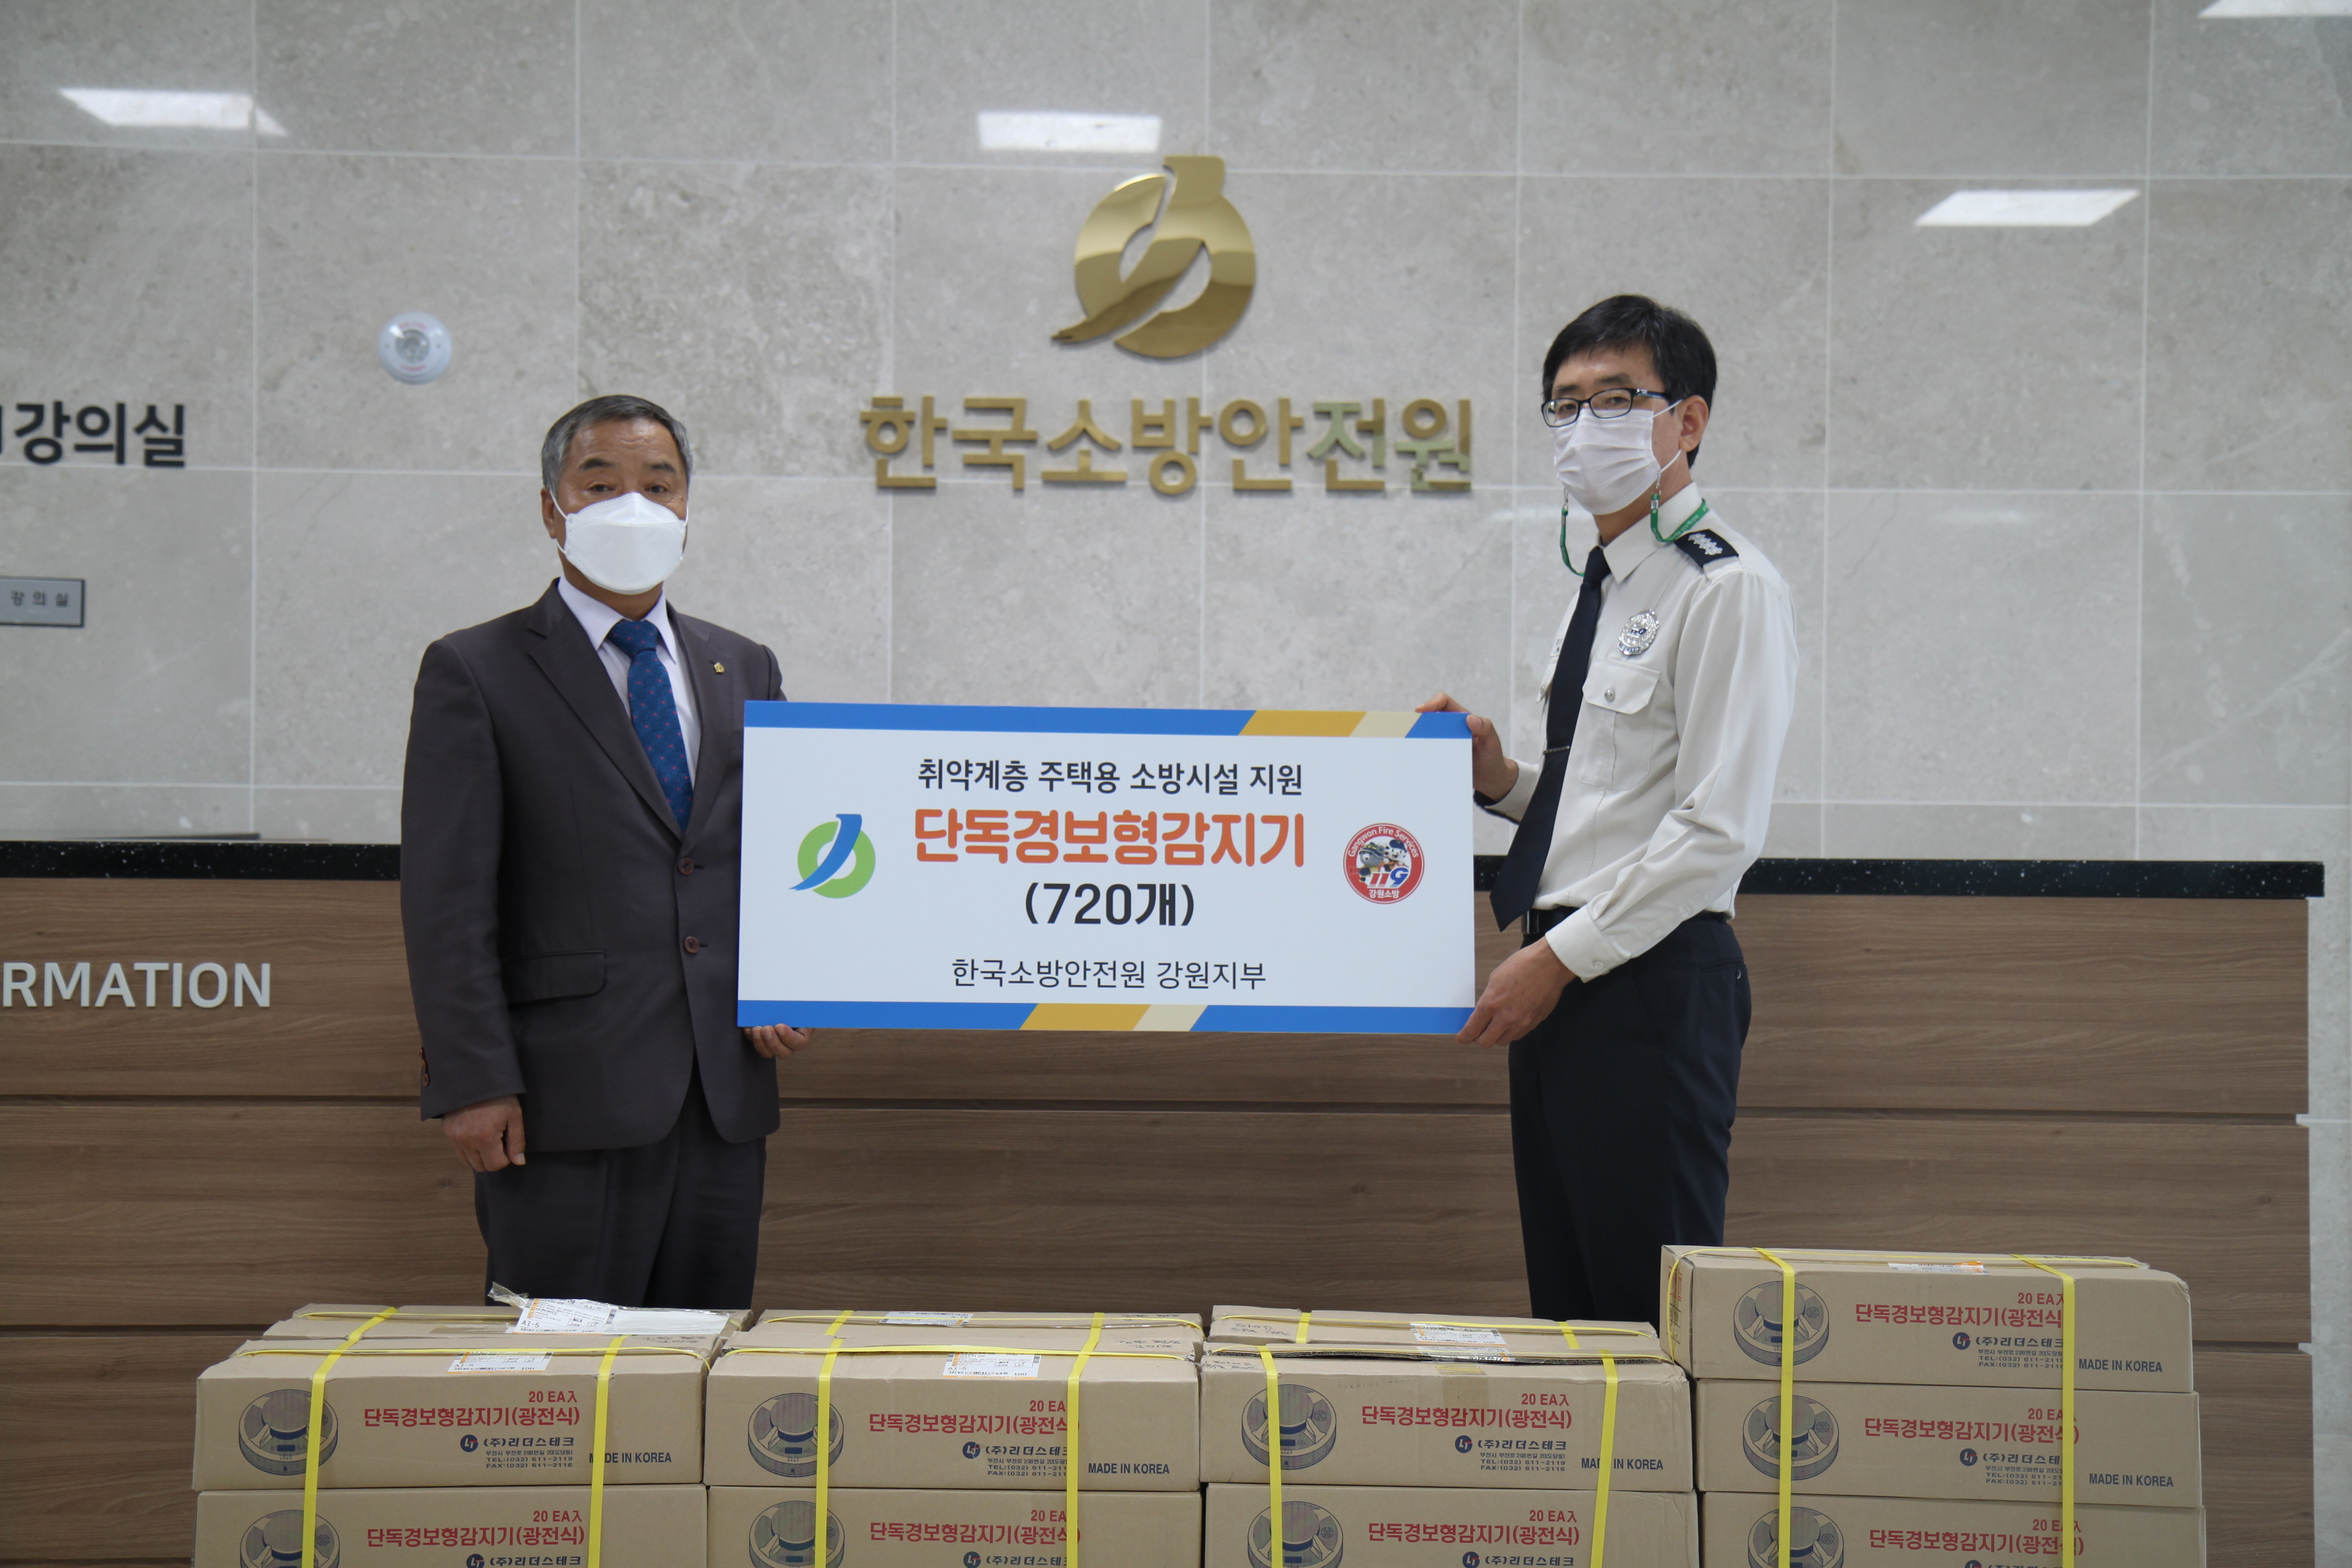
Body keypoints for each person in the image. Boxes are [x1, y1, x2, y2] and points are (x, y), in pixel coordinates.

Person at [1420, 295, 1798, 1323]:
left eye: (1620, 399)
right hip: (1569, 973)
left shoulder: (1726, 588)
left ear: (1689, 420)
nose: (1588, 427)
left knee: (1645, 1315)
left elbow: (1716, 829)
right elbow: (1606, 805)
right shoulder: (1609, 583)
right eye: (1567, 403)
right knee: (1571, 1309)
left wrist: (1556, 961)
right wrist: (1499, 778)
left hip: (1645, 980)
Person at [400, 393, 811, 1309]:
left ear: (686, 509)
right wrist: (472, 1081)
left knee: (702, 1363)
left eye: (658, 485)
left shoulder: (744, 665)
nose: (634, 505)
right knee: (564, 1371)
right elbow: (447, 900)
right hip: (562, 1101)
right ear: (553, 510)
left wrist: (788, 979)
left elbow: (781, 855)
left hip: (722, 1095)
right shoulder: (477, 669)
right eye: (601, 483)